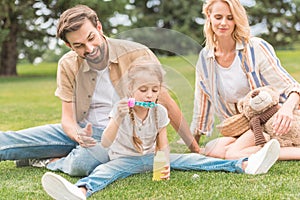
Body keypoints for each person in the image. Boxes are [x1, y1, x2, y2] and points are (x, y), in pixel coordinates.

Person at [41, 57, 281, 200]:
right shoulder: (120, 109)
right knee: (104, 173)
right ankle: (81, 190)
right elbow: (105, 142)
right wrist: (117, 118)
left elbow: (162, 142)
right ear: (130, 90)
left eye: (154, 90)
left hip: (149, 158)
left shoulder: (160, 111)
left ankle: (245, 165)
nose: (150, 95)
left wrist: (163, 162)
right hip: (123, 158)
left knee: (191, 160)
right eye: (143, 90)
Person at [1, 4, 200, 175]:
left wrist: (194, 148)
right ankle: (52, 150)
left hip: (114, 136)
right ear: (69, 45)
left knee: (82, 165)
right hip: (79, 131)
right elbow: (67, 119)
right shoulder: (67, 64)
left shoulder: (137, 54)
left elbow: (165, 102)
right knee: (8, 141)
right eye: (79, 45)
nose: (89, 49)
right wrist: (78, 135)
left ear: (99, 27)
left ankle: (46, 160)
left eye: (91, 38)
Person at [190, 0, 300, 160]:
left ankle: (292, 152)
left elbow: (293, 87)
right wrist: (194, 144)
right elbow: (202, 106)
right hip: (241, 127)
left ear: (237, 19)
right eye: (218, 17)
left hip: (272, 121)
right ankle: (268, 148)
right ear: (209, 17)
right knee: (212, 149)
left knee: (232, 154)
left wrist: (286, 110)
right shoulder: (205, 58)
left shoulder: (255, 48)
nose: (223, 23)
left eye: (230, 18)